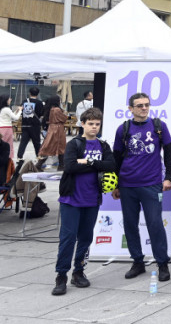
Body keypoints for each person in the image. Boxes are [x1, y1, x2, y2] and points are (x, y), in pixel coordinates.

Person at [112, 92, 171, 281]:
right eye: (139, 105)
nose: (144, 108)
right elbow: (116, 159)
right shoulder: (122, 129)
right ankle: (137, 261)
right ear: (131, 109)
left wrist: (169, 177)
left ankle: (162, 263)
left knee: (155, 224)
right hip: (127, 185)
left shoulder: (159, 126)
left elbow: (170, 153)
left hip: (151, 184)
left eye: (146, 104)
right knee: (130, 225)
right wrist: (116, 184)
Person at [52, 107, 116, 295]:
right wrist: (96, 165)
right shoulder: (75, 144)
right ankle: (61, 275)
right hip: (71, 199)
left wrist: (87, 162)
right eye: (91, 124)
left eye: (97, 124)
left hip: (92, 199)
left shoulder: (103, 146)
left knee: (86, 238)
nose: (94, 127)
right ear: (83, 124)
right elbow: (70, 167)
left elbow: (111, 165)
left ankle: (79, 272)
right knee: (68, 238)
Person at [38, 95, 67, 171]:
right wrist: (65, 114)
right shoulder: (57, 109)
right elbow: (64, 118)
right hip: (58, 129)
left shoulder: (50, 109)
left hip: (52, 128)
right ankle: (61, 165)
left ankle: (39, 164)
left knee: (48, 146)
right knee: (61, 146)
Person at [18, 86, 44, 160]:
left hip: (25, 125)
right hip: (35, 126)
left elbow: (21, 111)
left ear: (29, 93)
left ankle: (19, 156)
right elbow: (41, 114)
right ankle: (38, 156)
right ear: (38, 94)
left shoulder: (24, 101)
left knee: (23, 142)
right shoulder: (39, 103)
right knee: (36, 142)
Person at [0, 95, 21, 168]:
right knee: (9, 146)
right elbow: (15, 118)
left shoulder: (2, 109)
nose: (10, 100)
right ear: (5, 100)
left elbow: (10, 116)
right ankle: (8, 161)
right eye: (9, 99)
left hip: (1, 128)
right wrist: (20, 110)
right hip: (7, 128)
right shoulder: (6, 109)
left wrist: (17, 111)